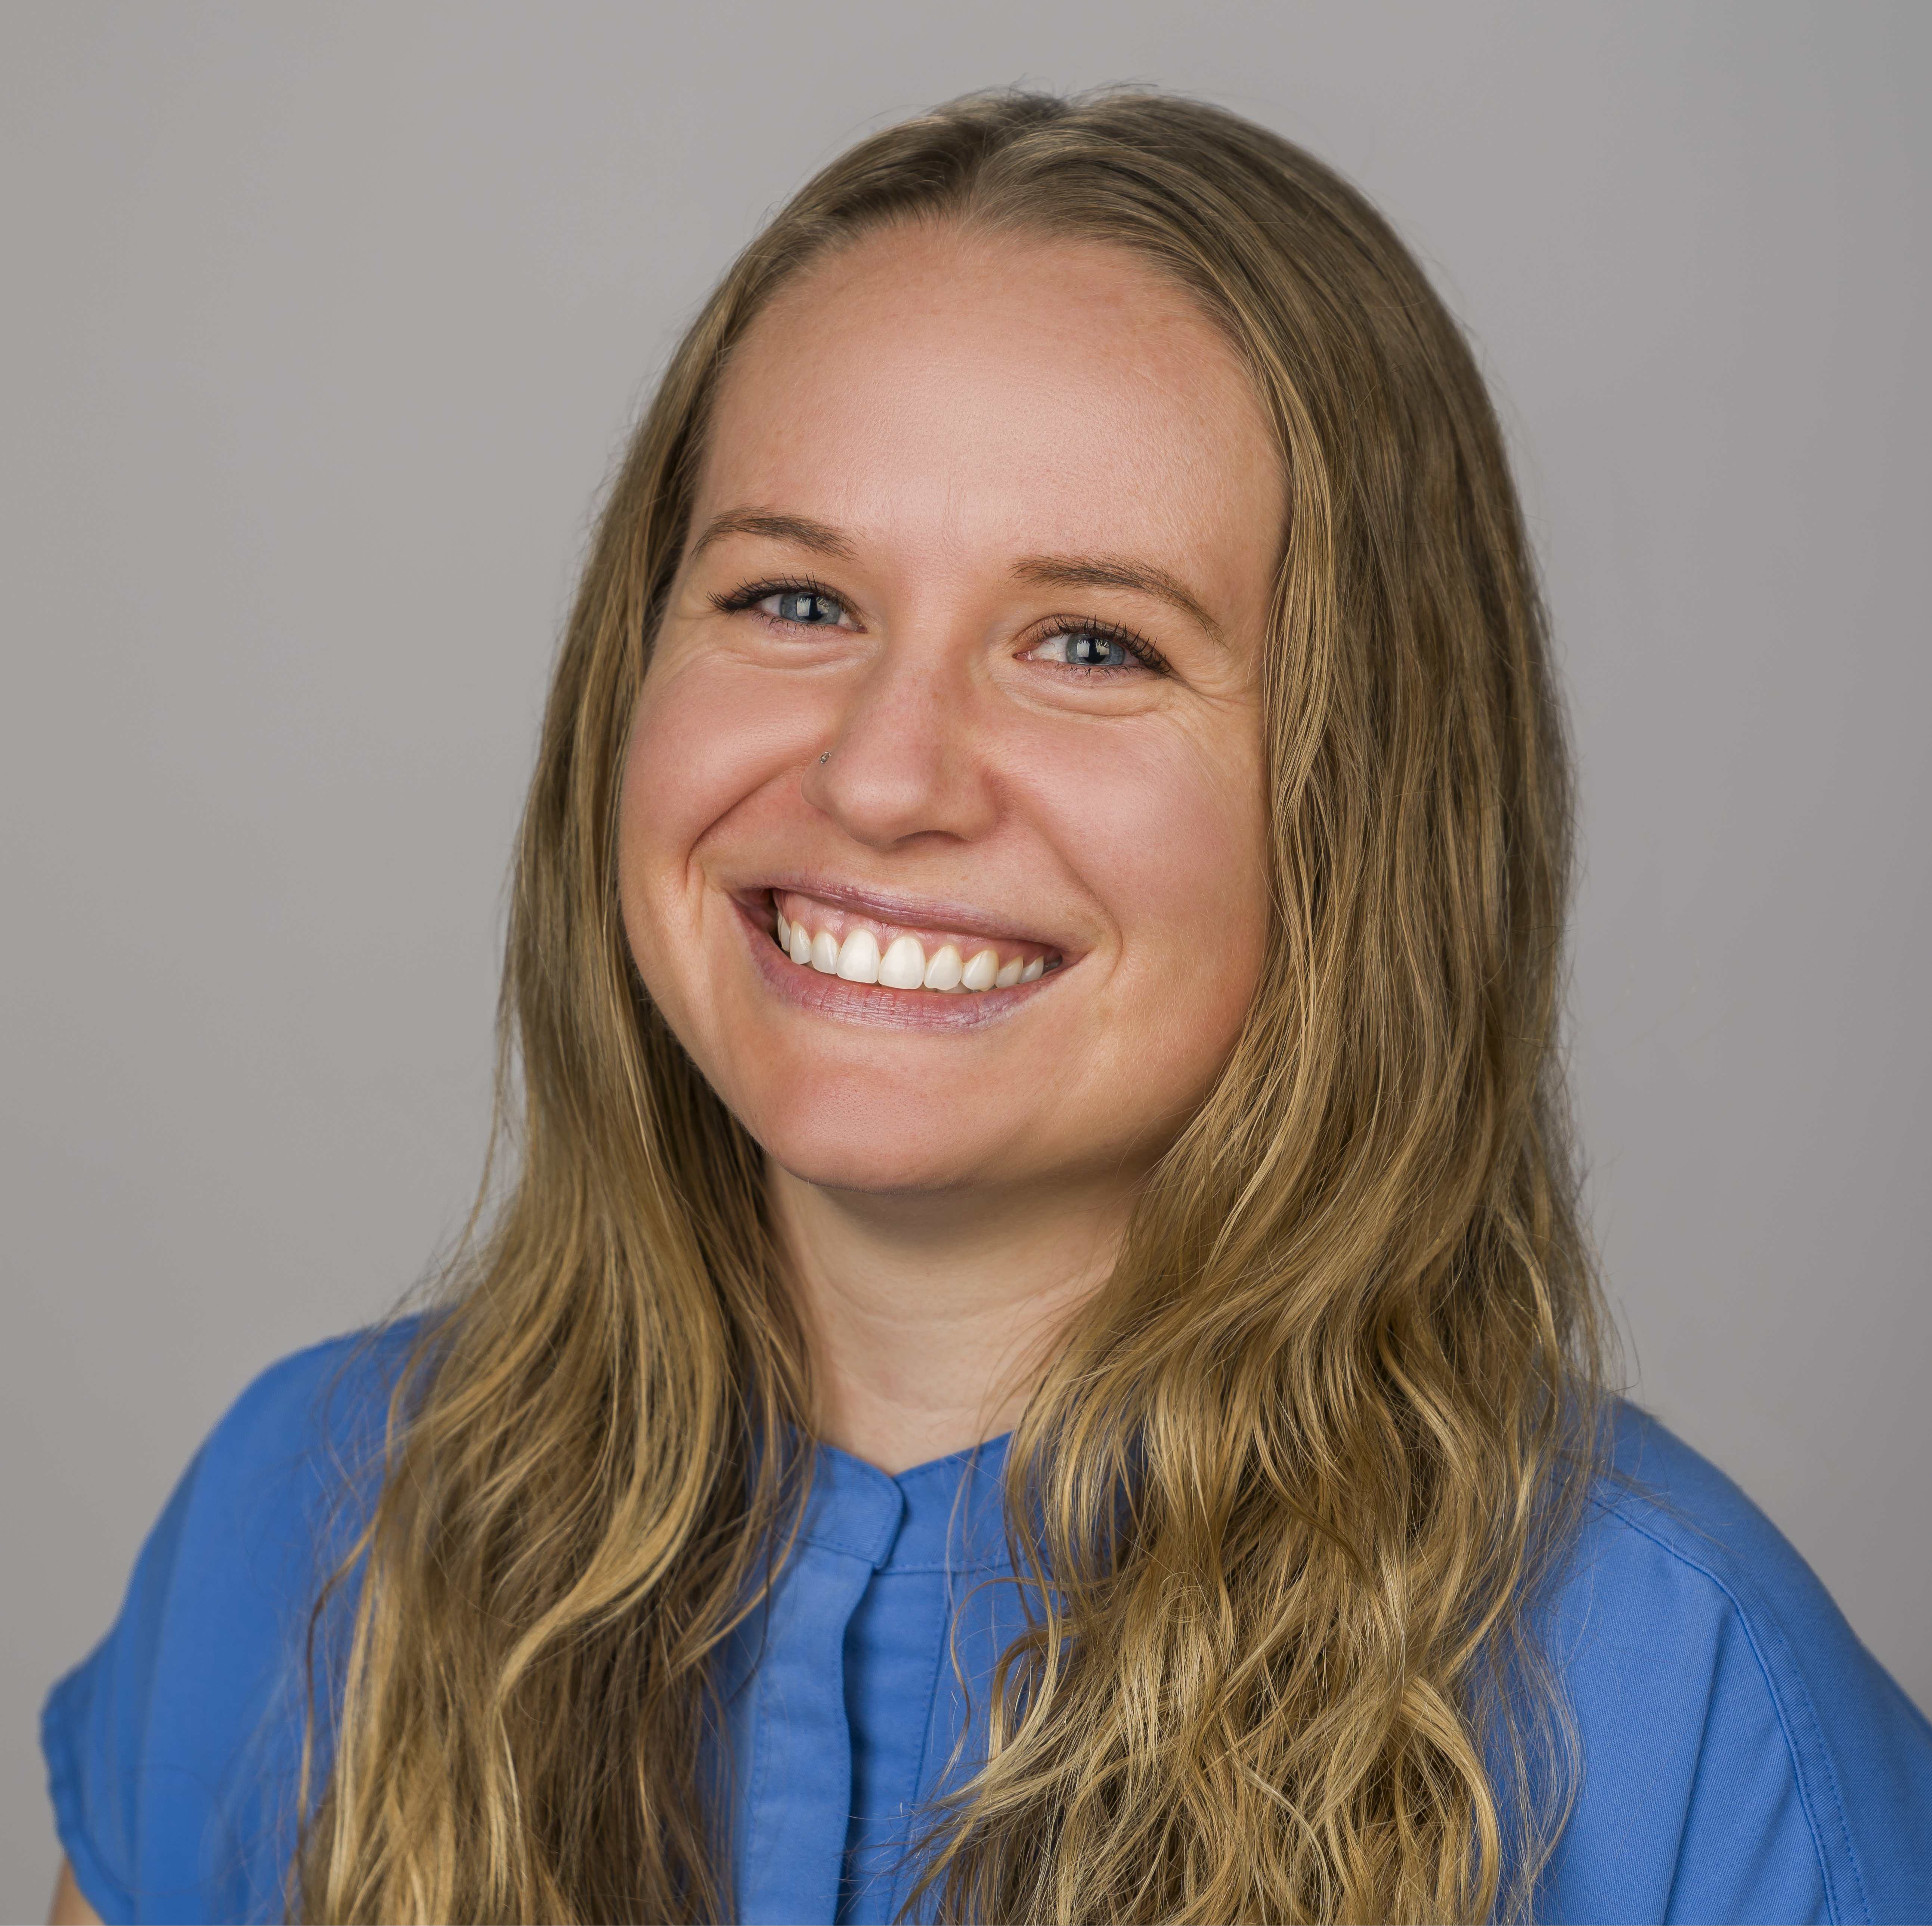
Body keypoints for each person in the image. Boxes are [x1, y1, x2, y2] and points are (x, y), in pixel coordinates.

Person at [41, 88, 1932, 1926]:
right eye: (792, 599)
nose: (884, 774)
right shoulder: (304, 1526)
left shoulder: (1687, 1708)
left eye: (1092, 642)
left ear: (1371, 800)